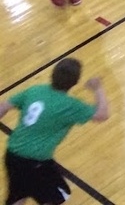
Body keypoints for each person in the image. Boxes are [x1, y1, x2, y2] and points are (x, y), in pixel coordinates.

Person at [1, 59, 109, 205]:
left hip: (12, 155)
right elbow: (102, 114)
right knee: (58, 195)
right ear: (75, 82)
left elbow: (4, 106)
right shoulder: (70, 105)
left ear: (52, 75)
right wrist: (97, 89)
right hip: (35, 162)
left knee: (19, 194)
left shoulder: (35, 90)